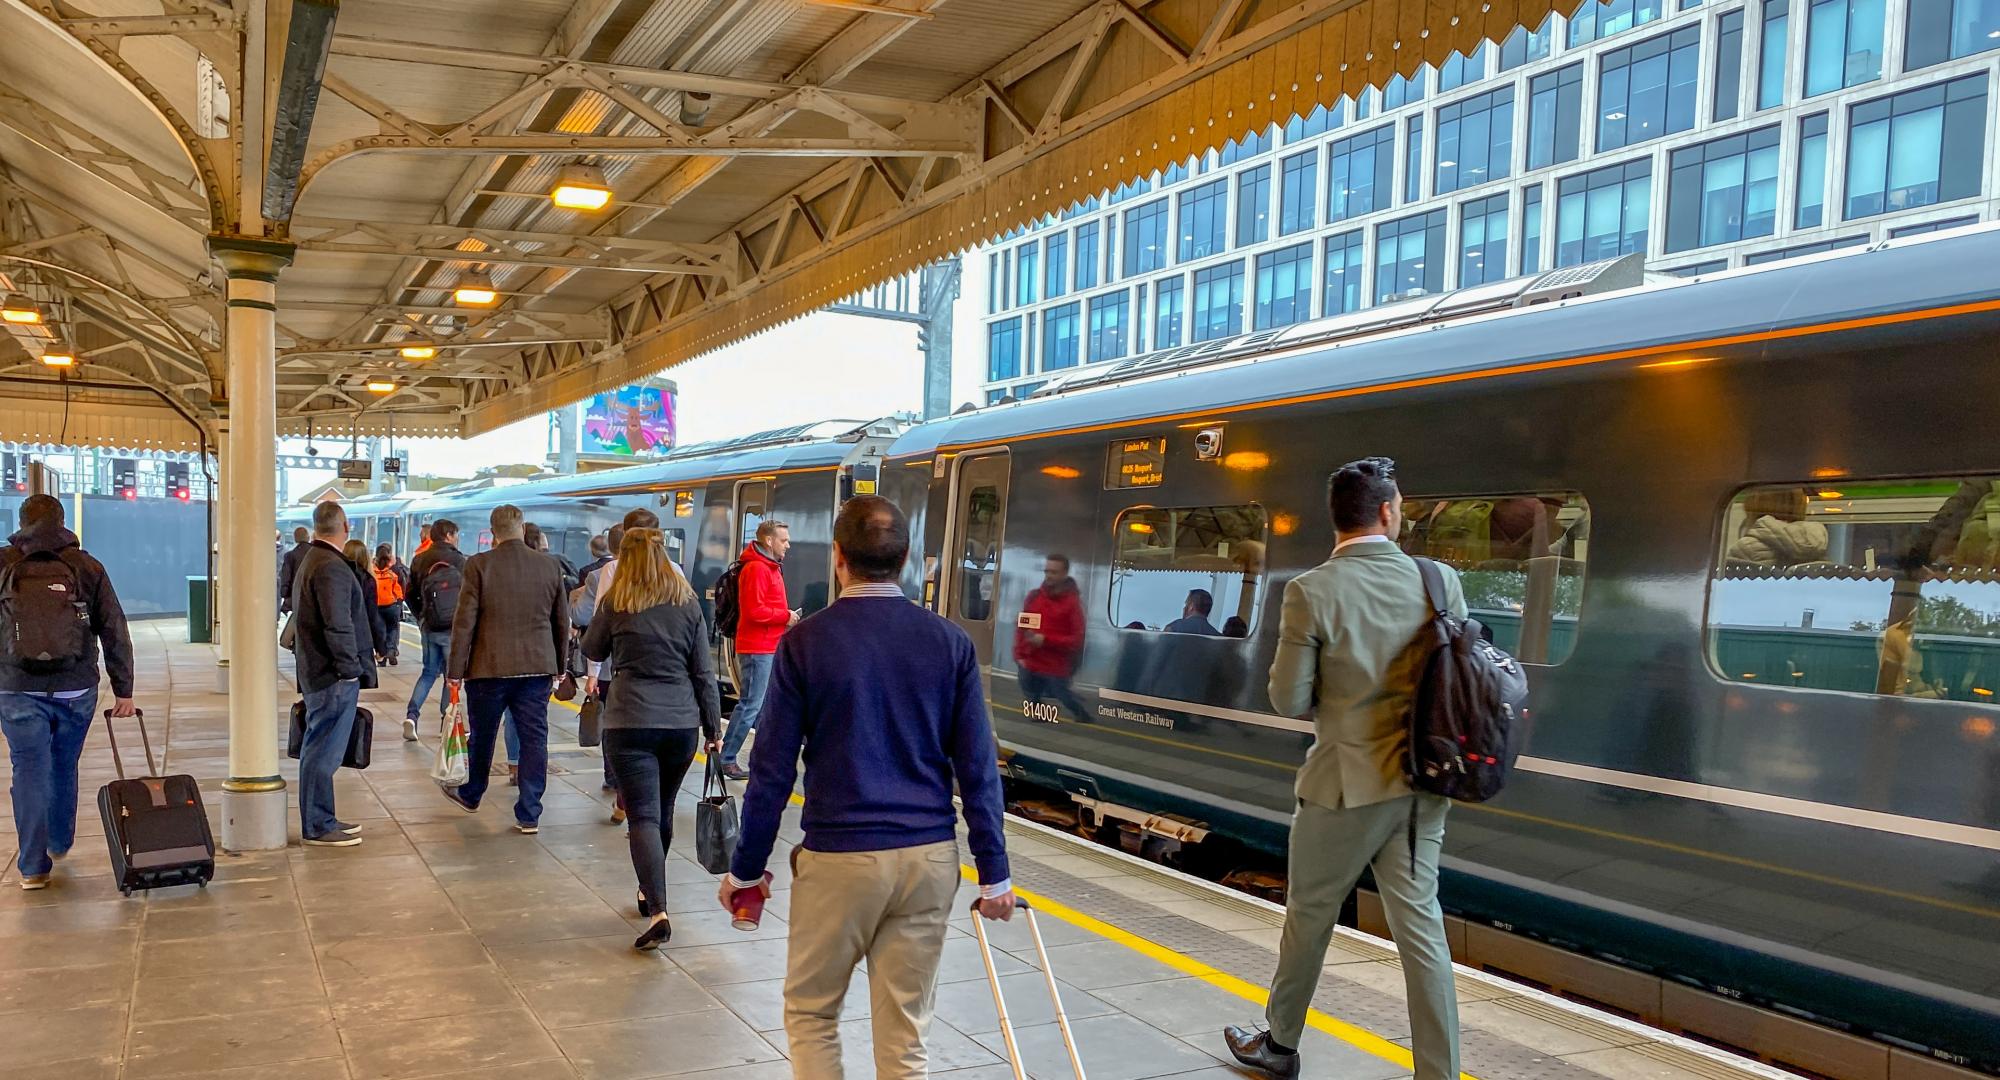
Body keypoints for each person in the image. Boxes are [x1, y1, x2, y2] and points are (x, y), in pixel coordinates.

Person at [719, 496, 1014, 1078]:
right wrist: (995, 872)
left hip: (841, 861)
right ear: (905, 559)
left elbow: (773, 771)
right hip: (929, 860)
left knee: (811, 1013)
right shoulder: (950, 643)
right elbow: (977, 766)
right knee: (906, 1034)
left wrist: (746, 869)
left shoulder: (806, 643)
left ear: (838, 558)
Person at [1223, 456, 1467, 1080]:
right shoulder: (1440, 581)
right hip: (1423, 782)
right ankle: (1438, 1072)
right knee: (1422, 931)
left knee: (1310, 915)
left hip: (1344, 787)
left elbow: (1288, 699)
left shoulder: (1311, 590)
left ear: (1337, 520)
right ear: (1388, 512)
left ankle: (1278, 1045)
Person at [581, 528, 721, 949]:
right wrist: (713, 728)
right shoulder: (688, 604)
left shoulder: (617, 602)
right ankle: (650, 893)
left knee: (642, 815)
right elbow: (703, 672)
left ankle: (658, 907)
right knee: (662, 809)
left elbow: (592, 646)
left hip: (630, 721)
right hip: (680, 724)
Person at [0, 495, 135, 890]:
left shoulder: (5, 563)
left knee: (28, 769)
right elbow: (113, 628)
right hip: (75, 688)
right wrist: (123, 688)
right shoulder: (87, 566)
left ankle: (32, 867)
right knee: (63, 764)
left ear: (21, 521)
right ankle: (59, 840)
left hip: (16, 688)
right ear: (62, 522)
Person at [440, 504, 570, 834]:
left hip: (488, 669)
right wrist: (560, 665)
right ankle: (529, 813)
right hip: (536, 668)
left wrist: (455, 670)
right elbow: (561, 621)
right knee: (534, 739)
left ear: (493, 531)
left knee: (483, 736)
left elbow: (464, 622)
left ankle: (472, 794)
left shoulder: (478, 565)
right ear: (521, 527)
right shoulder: (548, 565)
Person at [290, 501, 377, 849]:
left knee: (319, 746)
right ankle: (317, 825)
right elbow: (337, 623)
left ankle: (322, 817)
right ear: (344, 526)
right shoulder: (331, 567)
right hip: (331, 676)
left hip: (317, 671)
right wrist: (349, 670)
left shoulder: (313, 560)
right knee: (322, 749)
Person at [718, 518, 797, 781]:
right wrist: (785, 616)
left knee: (762, 705)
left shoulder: (770, 567)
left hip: (768, 644)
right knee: (751, 704)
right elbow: (754, 612)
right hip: (757, 647)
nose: (788, 544)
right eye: (784, 540)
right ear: (768, 540)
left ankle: (762, 757)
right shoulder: (757, 569)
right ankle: (726, 759)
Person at [404, 517, 466, 741]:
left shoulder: (420, 559)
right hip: (452, 629)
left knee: (429, 672)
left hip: (429, 627)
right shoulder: (460, 561)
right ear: (449, 535)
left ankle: (412, 716)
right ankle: (446, 721)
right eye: (456, 535)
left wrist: (422, 615)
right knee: (452, 676)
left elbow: (408, 593)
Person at [1015, 553, 1090, 723]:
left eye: (1054, 572)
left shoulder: (1072, 604)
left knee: (1062, 694)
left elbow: (1076, 639)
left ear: (1065, 574)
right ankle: (1040, 715)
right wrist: (1019, 655)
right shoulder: (1034, 597)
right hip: (1032, 659)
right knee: (1028, 687)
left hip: (1056, 664)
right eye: (1047, 571)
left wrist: (1046, 640)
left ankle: (1083, 715)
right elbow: (1022, 627)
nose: (1049, 575)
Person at [343, 539, 391, 665]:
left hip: (340, 634)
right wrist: (380, 646)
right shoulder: (368, 580)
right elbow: (372, 615)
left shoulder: (339, 575)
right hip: (360, 637)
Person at [371, 544, 405, 666]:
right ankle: (391, 650)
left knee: (381, 632)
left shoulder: (372, 572)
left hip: (377, 607)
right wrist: (399, 601)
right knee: (393, 629)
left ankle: (382, 658)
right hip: (391, 605)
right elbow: (399, 589)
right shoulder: (393, 572)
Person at [525, 522, 581, 595]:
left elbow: (577, 585)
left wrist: (562, 577)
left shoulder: (561, 561)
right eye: (541, 551)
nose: (544, 555)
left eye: (545, 551)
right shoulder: (525, 566)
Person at [278, 526, 310, 614]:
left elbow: (286, 577)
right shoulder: (316, 554)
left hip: (295, 597)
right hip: (312, 597)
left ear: (295, 539)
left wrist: (284, 594)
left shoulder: (290, 555)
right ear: (308, 537)